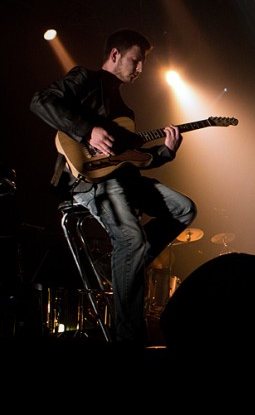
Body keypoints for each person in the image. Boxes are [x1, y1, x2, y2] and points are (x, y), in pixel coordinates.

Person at [30, 29, 197, 345]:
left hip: (123, 179)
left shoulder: (126, 112)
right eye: (136, 60)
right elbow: (41, 101)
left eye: (142, 63)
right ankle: (128, 338)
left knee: (184, 208)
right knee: (131, 238)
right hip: (88, 180)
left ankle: (114, 265)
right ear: (115, 55)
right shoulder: (85, 79)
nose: (140, 69)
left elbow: (133, 159)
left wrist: (166, 151)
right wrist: (87, 130)